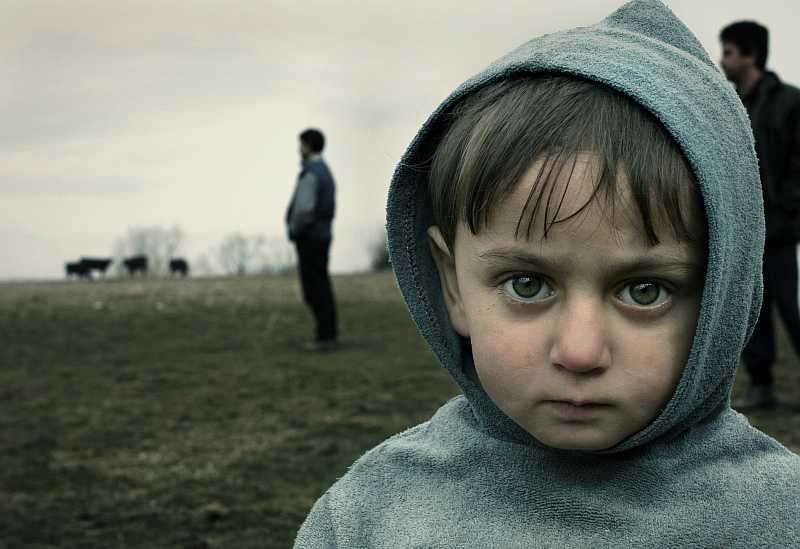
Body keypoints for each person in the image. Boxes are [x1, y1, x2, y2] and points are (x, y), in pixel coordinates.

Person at [295, 1, 800, 546]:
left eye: (644, 290)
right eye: (527, 284)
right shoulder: (368, 518)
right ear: (453, 285)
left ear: (722, 297)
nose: (580, 353)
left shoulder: (779, 518)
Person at [719, 21, 800, 411]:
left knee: (791, 306)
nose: (722, 60)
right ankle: (762, 384)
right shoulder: (728, 106)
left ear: (750, 55)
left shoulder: (790, 101)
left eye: (730, 52)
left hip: (782, 231)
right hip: (745, 231)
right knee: (751, 309)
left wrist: (783, 211)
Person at [286, 128, 338, 352]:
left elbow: (303, 210)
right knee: (322, 284)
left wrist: (294, 230)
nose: (299, 148)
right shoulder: (325, 171)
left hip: (310, 238)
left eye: (301, 144)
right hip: (322, 235)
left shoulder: (311, 173)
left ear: (308, 145)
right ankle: (328, 333)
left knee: (315, 287)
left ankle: (325, 336)